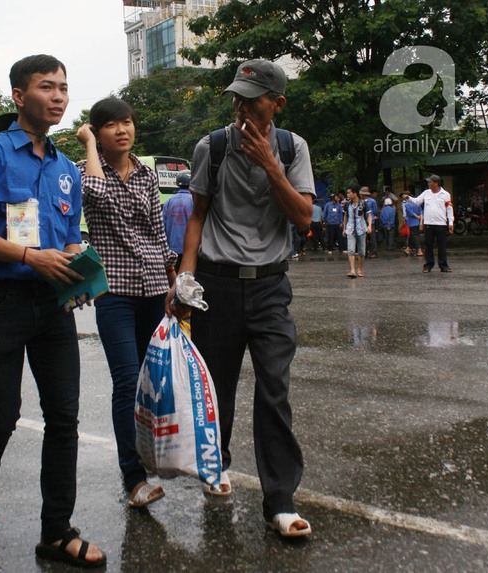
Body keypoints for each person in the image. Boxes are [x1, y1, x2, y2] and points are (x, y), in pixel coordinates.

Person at [0, 54, 106, 568]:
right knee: (3, 414)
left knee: (64, 417)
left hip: (52, 308)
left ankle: (57, 531)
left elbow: (65, 243)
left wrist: (76, 275)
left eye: (64, 87)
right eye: (47, 87)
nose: (59, 96)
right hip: (0, 301)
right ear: (19, 96)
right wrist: (26, 256)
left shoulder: (66, 170)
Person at [167, 59, 315, 538]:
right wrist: (184, 279)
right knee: (218, 388)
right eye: (237, 97)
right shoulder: (211, 146)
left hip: (271, 285)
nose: (242, 107)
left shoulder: (293, 149)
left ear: (277, 104)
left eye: (252, 100)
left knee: (275, 389)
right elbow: (198, 215)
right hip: (218, 282)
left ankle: (281, 501)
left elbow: (304, 217)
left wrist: (271, 165)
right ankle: (217, 465)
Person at [76, 97, 176, 509]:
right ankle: (133, 476)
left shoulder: (147, 175)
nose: (123, 130)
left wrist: (174, 282)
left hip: (153, 286)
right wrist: (86, 146)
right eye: (112, 125)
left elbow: (158, 230)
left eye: (128, 122)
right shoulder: (83, 172)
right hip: (114, 291)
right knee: (126, 381)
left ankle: (154, 458)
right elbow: (100, 197)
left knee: (152, 382)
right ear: (98, 133)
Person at [406, 174, 454, 273]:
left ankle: (443, 265)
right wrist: (408, 198)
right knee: (428, 245)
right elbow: (417, 201)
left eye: (430, 181)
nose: (428, 183)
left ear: (436, 183)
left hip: (441, 223)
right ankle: (428, 265)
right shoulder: (426, 193)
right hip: (428, 223)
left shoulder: (445, 194)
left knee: (442, 245)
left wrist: (451, 221)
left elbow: (449, 208)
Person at [163, 170, 193, 271]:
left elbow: (162, 226)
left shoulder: (168, 201)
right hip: (189, 252)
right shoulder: (194, 201)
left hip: (171, 250)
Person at [342, 185, 372, 278]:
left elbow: (368, 215)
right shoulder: (347, 204)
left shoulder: (363, 203)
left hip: (361, 229)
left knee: (362, 251)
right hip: (350, 229)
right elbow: (345, 216)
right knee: (350, 250)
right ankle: (352, 270)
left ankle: (360, 269)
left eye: (349, 192)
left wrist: (369, 226)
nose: (348, 194)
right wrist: (344, 228)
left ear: (355, 193)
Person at [401, 192, 423, 257]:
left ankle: (419, 250)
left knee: (415, 236)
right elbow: (421, 212)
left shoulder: (407, 204)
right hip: (417, 222)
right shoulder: (417, 204)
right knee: (412, 235)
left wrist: (416, 216)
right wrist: (421, 221)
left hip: (411, 222)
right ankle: (408, 249)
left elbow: (410, 212)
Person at [360, 187, 378, 258]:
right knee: (363, 237)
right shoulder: (360, 201)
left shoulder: (372, 201)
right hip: (362, 221)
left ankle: (374, 251)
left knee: (372, 237)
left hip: (371, 220)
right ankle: (365, 251)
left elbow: (375, 210)